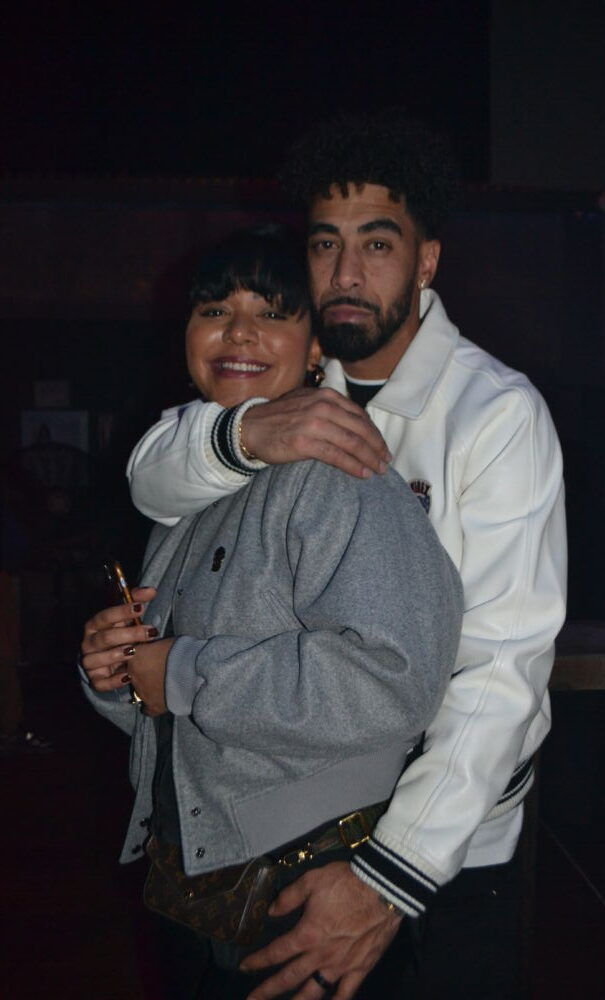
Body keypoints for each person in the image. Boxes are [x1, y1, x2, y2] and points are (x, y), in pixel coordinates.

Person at [126, 111, 568, 1000]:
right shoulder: (287, 375)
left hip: (438, 841)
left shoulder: (493, 413)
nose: (346, 272)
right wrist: (246, 433)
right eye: (326, 244)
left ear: (426, 260)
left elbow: (499, 670)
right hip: (277, 821)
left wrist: (389, 877)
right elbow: (152, 474)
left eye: (377, 243)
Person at [80, 225, 462, 999]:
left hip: (301, 894)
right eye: (214, 310)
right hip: (194, 875)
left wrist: (180, 672)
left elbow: (392, 679)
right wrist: (118, 674)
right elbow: (180, 717)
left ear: (317, 347)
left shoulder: (337, 475)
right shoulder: (192, 489)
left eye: (272, 312)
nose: (238, 332)